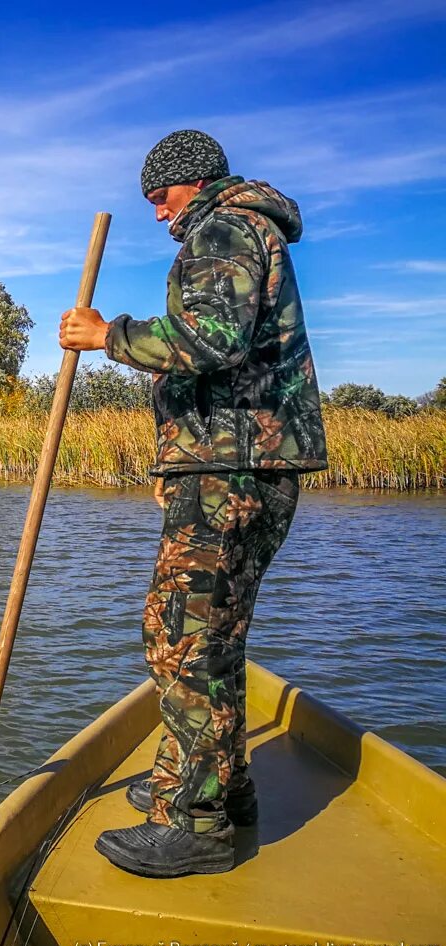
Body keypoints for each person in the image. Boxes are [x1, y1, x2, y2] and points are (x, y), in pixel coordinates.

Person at [58, 129, 328, 877]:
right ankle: (216, 784)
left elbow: (211, 339)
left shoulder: (224, 227)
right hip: (236, 463)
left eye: (160, 196)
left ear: (193, 181)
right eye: (147, 200)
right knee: (214, 637)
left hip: (231, 468)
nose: (155, 213)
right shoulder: (244, 226)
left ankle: (194, 822)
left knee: (180, 635)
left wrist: (106, 333)